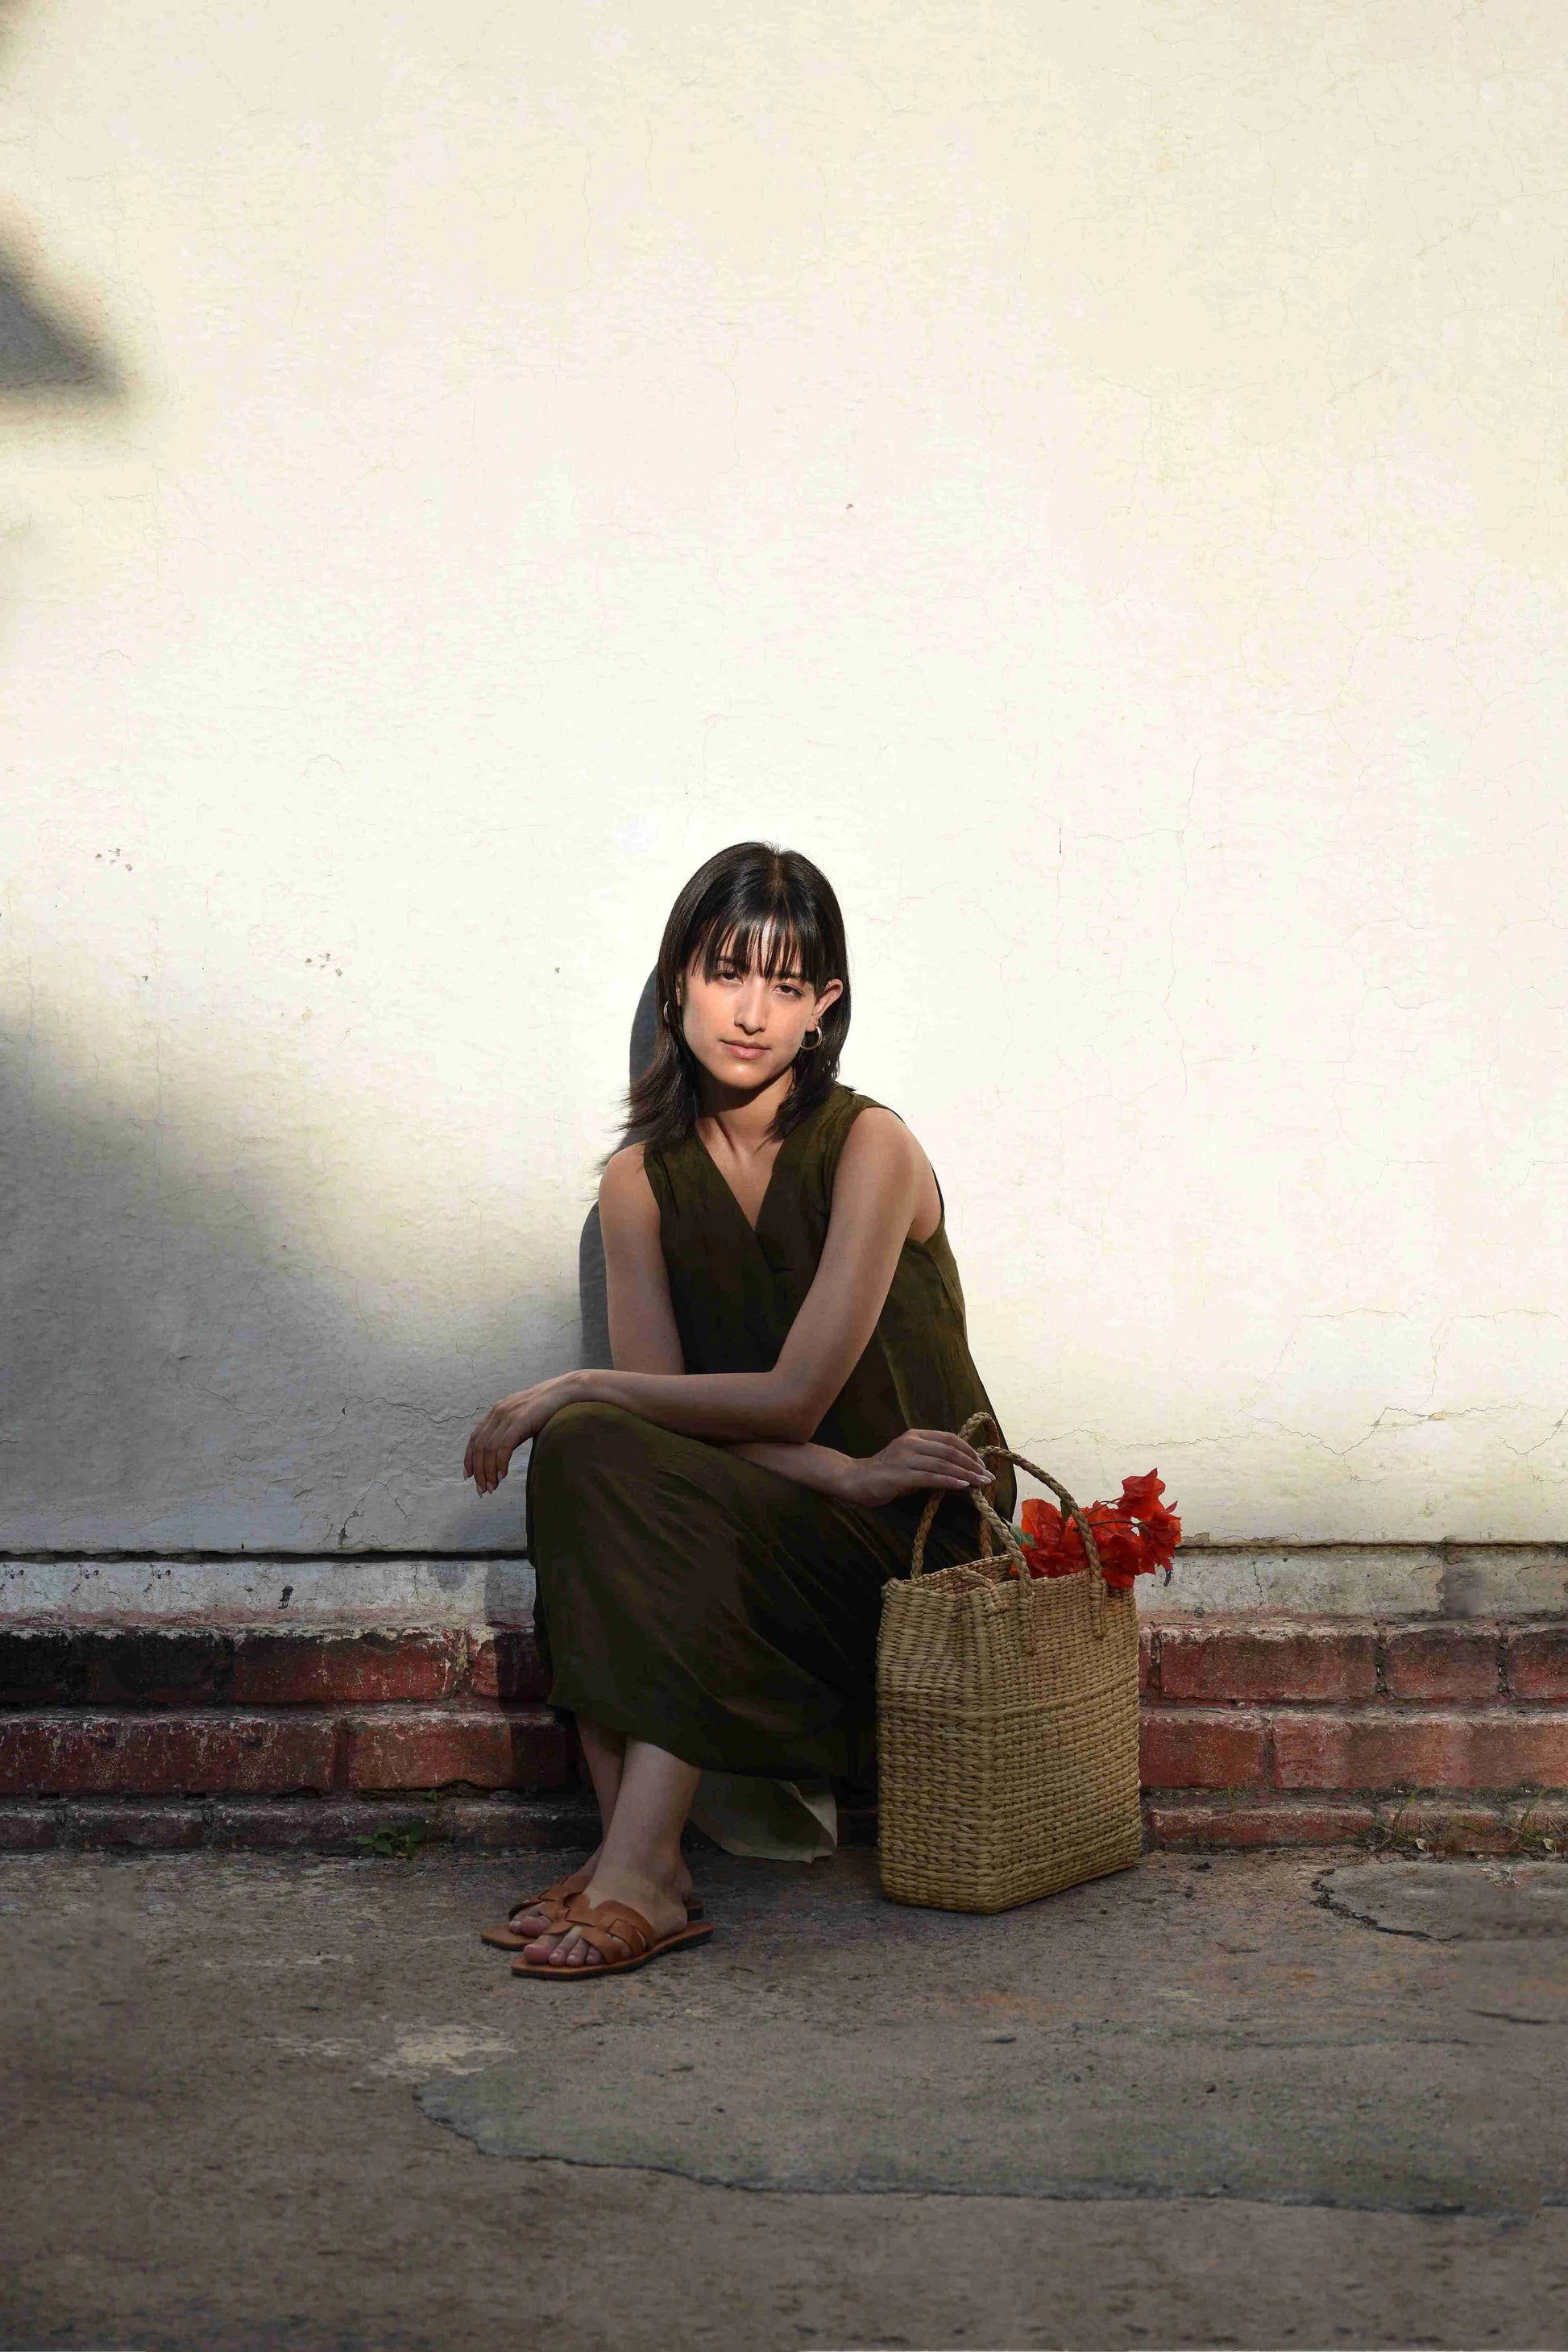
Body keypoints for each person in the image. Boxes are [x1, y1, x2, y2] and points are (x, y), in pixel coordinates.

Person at [463, 840, 1014, 1977]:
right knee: (588, 1454)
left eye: (784, 983)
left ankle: (632, 1865)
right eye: (726, 972)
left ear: (825, 1008)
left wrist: (576, 1379)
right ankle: (643, 1866)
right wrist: (822, 1470)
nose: (751, 1011)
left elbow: (798, 1395)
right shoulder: (637, 1185)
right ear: (678, 986)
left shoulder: (871, 1146)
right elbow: (660, 1429)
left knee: (588, 1415)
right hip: (796, 1499)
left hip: (913, 1536)